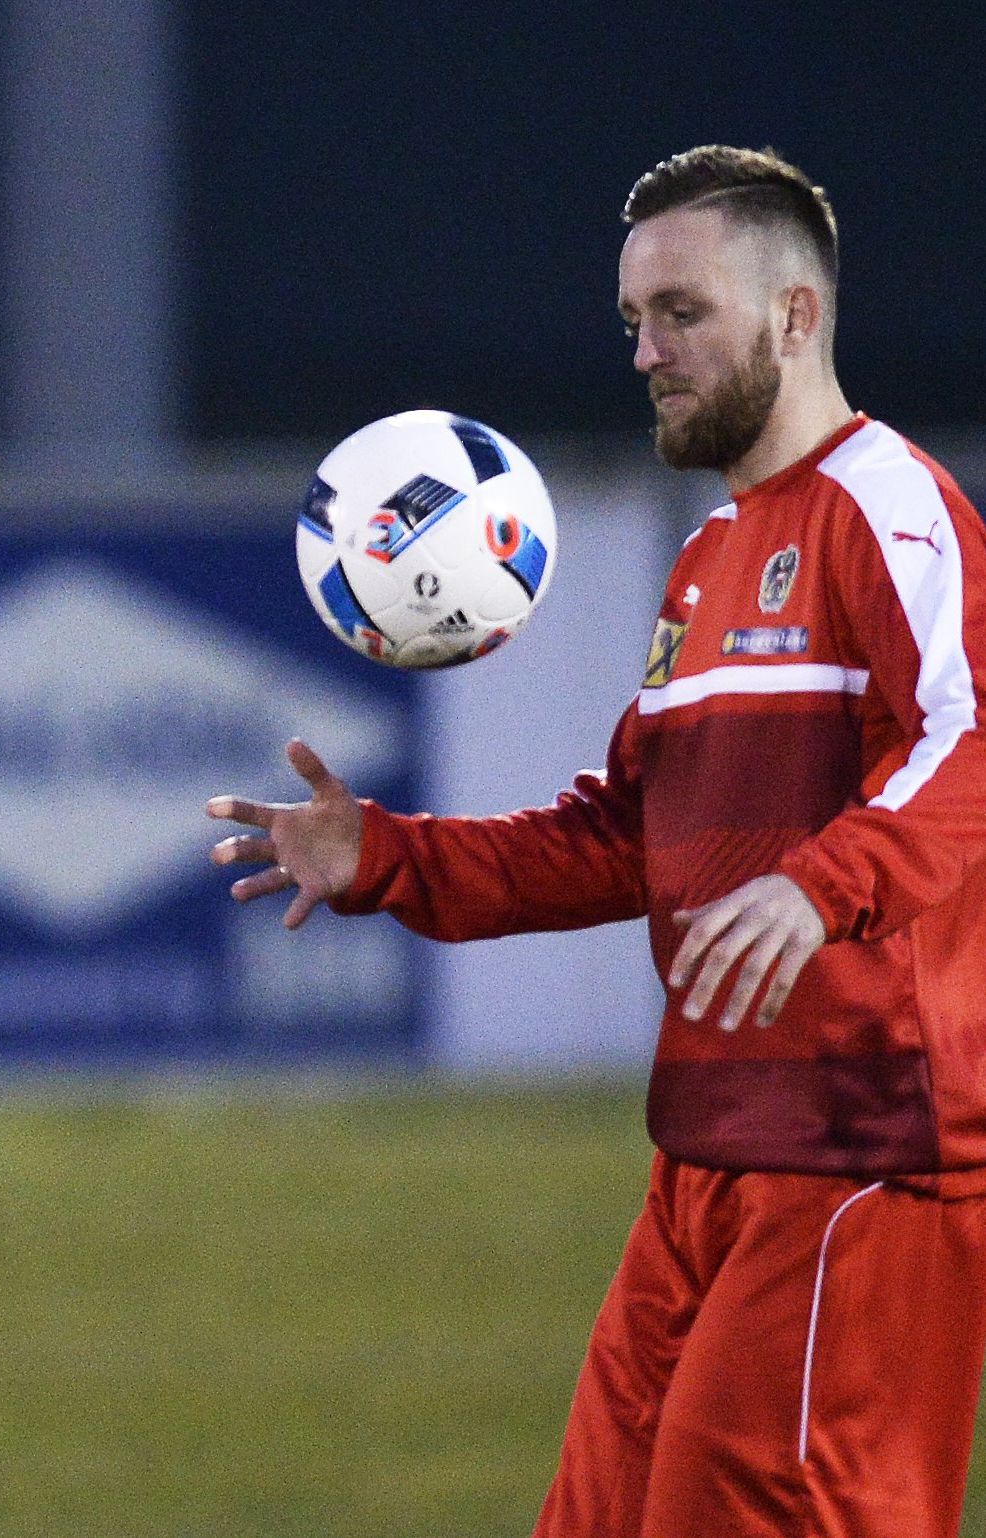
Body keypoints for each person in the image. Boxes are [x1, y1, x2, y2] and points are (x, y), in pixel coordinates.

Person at [208, 145, 986, 1537]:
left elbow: (970, 737)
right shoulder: (708, 558)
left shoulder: (891, 509)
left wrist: (822, 888)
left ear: (795, 316)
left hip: (859, 1152)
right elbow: (624, 832)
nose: (644, 351)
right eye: (632, 319)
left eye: (680, 312)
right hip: (703, 1158)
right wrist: (384, 856)